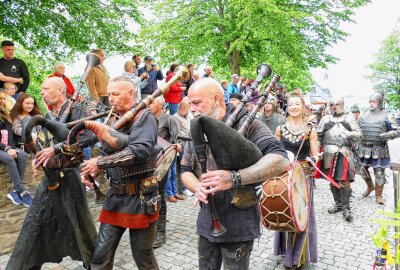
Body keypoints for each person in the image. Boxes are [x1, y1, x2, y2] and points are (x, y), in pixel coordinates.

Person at [181, 78, 289, 270]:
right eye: (190, 104)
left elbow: (280, 159)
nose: (192, 109)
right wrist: (197, 186)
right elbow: (185, 170)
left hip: (240, 221)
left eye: (196, 103)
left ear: (216, 99)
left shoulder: (248, 123)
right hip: (207, 220)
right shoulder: (197, 125)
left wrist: (234, 178)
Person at [6, 77, 98, 270]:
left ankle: (96, 264)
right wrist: (37, 159)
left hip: (71, 175)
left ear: (60, 90)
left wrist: (56, 149)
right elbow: (41, 142)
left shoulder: (78, 110)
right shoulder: (46, 115)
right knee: (35, 222)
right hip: (50, 177)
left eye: (46, 88)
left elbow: (89, 135)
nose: (42, 92)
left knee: (80, 224)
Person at [80, 76, 160, 269]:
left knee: (143, 257)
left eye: (116, 94)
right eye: (110, 95)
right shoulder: (112, 118)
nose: (111, 99)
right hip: (116, 197)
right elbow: (82, 140)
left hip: (141, 198)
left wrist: (100, 162)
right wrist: (56, 150)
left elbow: (140, 151)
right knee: (101, 256)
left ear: (131, 93)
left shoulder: (145, 117)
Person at [274, 90, 319, 269]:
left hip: (303, 177)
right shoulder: (280, 129)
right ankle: (287, 253)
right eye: (291, 104)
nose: (293, 107)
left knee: (301, 215)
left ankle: (299, 256)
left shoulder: (310, 129)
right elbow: (274, 153)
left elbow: (316, 154)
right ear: (287, 107)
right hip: (284, 176)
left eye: (297, 104)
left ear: (303, 107)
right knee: (285, 213)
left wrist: (312, 161)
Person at [316, 97, 360, 221]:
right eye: (332, 104)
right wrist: (317, 152)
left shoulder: (349, 118)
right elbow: (318, 137)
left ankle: (346, 208)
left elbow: (359, 134)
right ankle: (338, 204)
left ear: (341, 104)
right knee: (332, 180)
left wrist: (349, 134)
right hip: (328, 152)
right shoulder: (325, 119)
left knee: (344, 180)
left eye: (336, 104)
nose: (334, 106)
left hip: (344, 152)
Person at [148, 97, 183, 249]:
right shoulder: (145, 118)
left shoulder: (169, 119)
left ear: (160, 104)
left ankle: (160, 232)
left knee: (159, 194)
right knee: (148, 194)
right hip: (146, 161)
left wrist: (178, 146)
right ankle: (148, 226)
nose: (149, 105)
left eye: (152, 102)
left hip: (162, 160)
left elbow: (177, 140)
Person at [357, 93, 400, 205]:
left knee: (379, 173)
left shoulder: (387, 116)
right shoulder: (363, 116)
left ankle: (378, 194)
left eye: (374, 102)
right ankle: (370, 186)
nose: (372, 104)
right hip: (363, 148)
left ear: (380, 103)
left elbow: (397, 131)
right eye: (370, 101)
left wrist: (385, 135)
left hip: (379, 148)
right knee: (361, 170)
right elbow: (358, 130)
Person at [0, 91, 31, 207]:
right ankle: (22, 191)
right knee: (9, 159)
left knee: (22, 155)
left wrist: (12, 147)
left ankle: (15, 191)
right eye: (0, 99)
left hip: (5, 146)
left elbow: (9, 133)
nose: (2, 101)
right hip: (2, 148)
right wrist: (7, 148)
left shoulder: (5, 114)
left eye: (3, 99)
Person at [173, 97, 194, 197]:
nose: (189, 110)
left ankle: (191, 186)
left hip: (190, 143)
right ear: (183, 107)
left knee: (191, 165)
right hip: (182, 144)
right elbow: (175, 133)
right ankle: (185, 188)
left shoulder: (188, 117)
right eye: (188, 108)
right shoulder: (175, 117)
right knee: (184, 166)